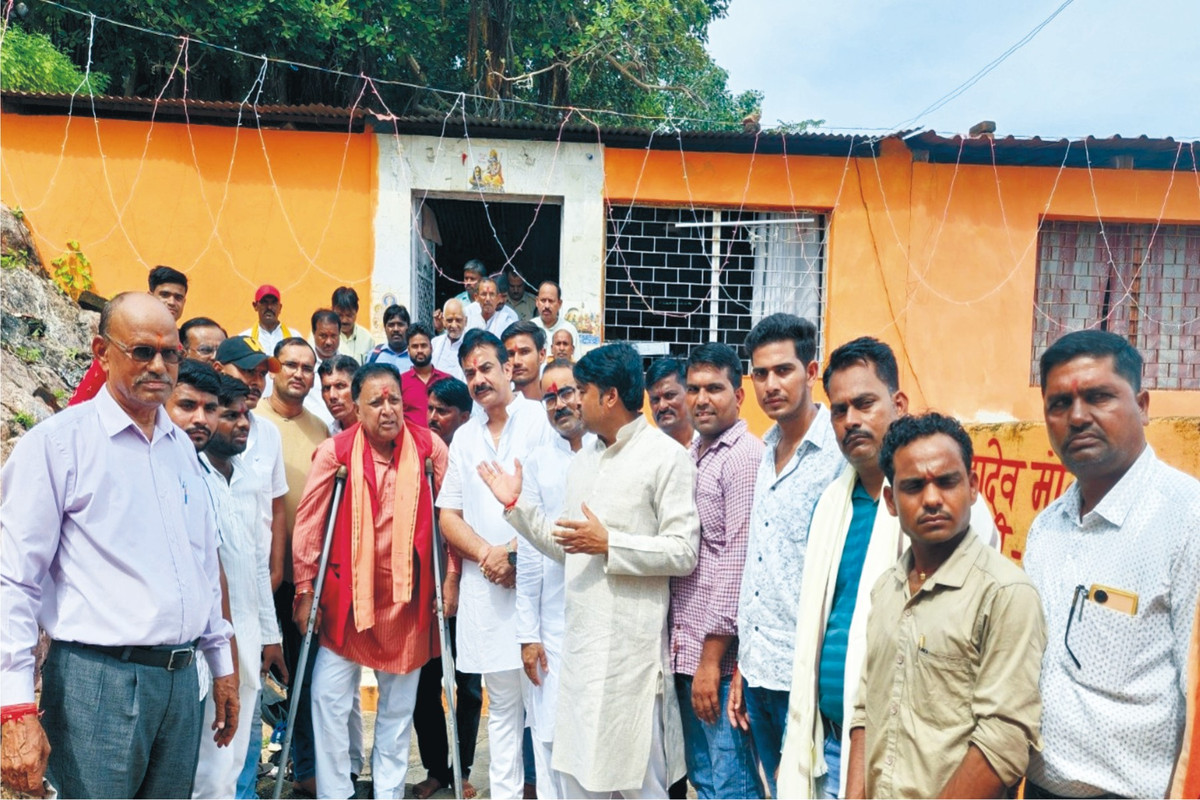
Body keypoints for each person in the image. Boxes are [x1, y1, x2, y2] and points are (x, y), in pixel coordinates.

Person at [1, 292, 236, 799]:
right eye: (142, 351)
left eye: (171, 353)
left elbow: (201, 565)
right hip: (97, 685)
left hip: (180, 684)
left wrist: (222, 666)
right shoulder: (59, 445)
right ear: (102, 352)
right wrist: (14, 707)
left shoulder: (179, 448)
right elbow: (13, 580)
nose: (159, 366)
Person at [777, 337, 999, 799]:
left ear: (898, 404)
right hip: (827, 745)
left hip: (911, 759)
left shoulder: (948, 511)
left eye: (865, 404)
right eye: (839, 410)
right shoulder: (832, 503)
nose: (851, 421)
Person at [478, 343, 700, 797]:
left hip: (632, 661)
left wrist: (610, 544)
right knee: (578, 780)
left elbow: (682, 552)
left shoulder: (666, 457)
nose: (575, 401)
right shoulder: (584, 460)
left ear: (610, 396)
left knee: (641, 784)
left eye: (582, 391)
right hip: (580, 655)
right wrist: (517, 507)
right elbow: (569, 547)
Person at [1023, 330, 1200, 799]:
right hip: (1038, 788)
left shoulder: (1187, 521)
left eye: (1099, 396)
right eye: (1059, 404)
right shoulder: (1046, 527)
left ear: (1142, 405)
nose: (1078, 416)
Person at [845, 413, 1046, 799]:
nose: (932, 499)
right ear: (891, 501)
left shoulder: (1004, 593)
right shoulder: (887, 589)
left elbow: (1003, 741)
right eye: (914, 486)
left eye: (947, 481)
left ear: (972, 487)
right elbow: (866, 707)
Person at [292, 363, 449, 799]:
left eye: (394, 399)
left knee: (397, 712)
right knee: (327, 698)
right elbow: (310, 523)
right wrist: (305, 588)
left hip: (407, 603)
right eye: (376, 402)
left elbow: (449, 517)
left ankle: (388, 792)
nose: (387, 409)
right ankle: (336, 792)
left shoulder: (429, 448)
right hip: (347, 600)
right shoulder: (335, 452)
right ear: (357, 409)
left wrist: (450, 578)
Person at [436, 330, 557, 798]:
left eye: (486, 367)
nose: (478, 379)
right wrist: (490, 554)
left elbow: (556, 501)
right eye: (469, 373)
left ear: (508, 368)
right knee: (503, 710)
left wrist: (514, 553)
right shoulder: (465, 438)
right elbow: (449, 515)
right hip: (486, 591)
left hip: (539, 589)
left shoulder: (541, 421)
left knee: (544, 710)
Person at [729, 314, 845, 797]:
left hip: (808, 681)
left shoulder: (839, 455)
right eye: (760, 374)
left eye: (783, 370)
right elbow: (760, 567)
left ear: (811, 371)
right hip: (760, 672)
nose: (771, 384)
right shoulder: (766, 449)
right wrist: (744, 664)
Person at [669, 343, 764, 799]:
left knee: (732, 786)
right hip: (688, 652)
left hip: (719, 662)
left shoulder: (742, 456)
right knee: (705, 781)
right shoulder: (695, 452)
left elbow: (737, 561)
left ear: (738, 395)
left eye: (714, 389)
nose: (701, 399)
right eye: (693, 389)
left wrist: (710, 662)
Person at [193, 376, 288, 799]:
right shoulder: (193, 476)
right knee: (208, 771)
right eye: (230, 415)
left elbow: (255, 564)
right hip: (209, 650)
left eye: (245, 414)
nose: (243, 423)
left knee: (231, 767)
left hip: (248, 640)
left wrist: (271, 636)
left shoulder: (248, 476)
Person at [507, 358, 592, 800]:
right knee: (549, 736)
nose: (560, 404)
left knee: (593, 738)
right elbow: (530, 558)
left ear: (587, 393)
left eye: (568, 392)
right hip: (553, 627)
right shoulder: (538, 463)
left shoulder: (608, 453)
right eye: (550, 397)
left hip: (602, 625)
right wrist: (528, 634)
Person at [412, 375, 484, 800]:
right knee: (425, 682)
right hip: (426, 588)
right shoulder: (422, 454)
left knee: (468, 685)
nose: (434, 417)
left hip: (469, 585)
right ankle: (437, 769)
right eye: (430, 409)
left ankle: (464, 768)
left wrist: (454, 577)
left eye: (443, 411)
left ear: (464, 416)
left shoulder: (475, 455)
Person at [68, 265, 191, 405]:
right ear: (150, 296)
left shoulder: (178, 348)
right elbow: (91, 387)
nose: (171, 302)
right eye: (164, 295)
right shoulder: (126, 336)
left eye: (178, 298)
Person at [398, 323, 450, 429]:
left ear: (431, 348)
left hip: (440, 438)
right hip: (410, 439)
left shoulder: (447, 380)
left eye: (423, 345)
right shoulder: (399, 382)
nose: (420, 350)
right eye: (415, 346)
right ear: (408, 350)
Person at [646, 358, 695, 449]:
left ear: (689, 393)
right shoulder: (647, 450)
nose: (662, 406)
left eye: (669, 396)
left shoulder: (710, 443)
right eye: (655, 400)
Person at [240, 284, 297, 357]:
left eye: (274, 303)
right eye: (264, 302)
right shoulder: (244, 339)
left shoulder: (294, 337)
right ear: (255, 306)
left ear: (280, 307)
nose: (269, 307)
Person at [503, 320, 547, 402]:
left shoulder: (556, 404)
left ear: (541, 355)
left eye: (524, 352)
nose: (516, 362)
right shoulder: (500, 407)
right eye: (511, 354)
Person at [531, 281, 579, 354]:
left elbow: (576, 359)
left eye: (551, 301)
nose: (547, 306)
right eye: (543, 301)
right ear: (537, 302)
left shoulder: (570, 330)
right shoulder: (530, 328)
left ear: (559, 304)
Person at [332, 286, 374, 365]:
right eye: (340, 315)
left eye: (349, 315)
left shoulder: (367, 339)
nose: (344, 320)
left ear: (356, 311)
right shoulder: (322, 336)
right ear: (333, 310)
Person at [319, 355, 361, 434]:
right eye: (327, 388)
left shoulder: (376, 430)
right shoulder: (327, 433)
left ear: (357, 388)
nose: (332, 395)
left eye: (340, 386)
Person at [427, 377, 473, 444]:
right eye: (430, 409)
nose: (432, 417)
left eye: (441, 411)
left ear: (464, 417)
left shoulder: (475, 448)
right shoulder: (414, 446)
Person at [431, 298, 468, 382]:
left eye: (458, 320)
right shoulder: (435, 344)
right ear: (443, 321)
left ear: (465, 321)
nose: (454, 325)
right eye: (449, 320)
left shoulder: (472, 345)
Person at [369, 304, 413, 371]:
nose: (396, 329)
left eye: (400, 324)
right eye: (391, 325)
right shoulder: (374, 355)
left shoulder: (416, 356)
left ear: (408, 327)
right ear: (385, 328)